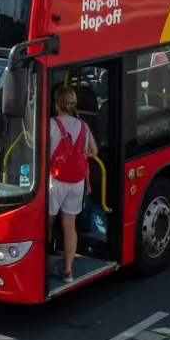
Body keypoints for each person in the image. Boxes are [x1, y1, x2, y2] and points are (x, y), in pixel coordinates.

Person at [48, 86, 97, 284]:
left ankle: (42, 261)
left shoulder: (51, 124)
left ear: (58, 104)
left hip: (56, 180)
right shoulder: (83, 126)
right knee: (70, 225)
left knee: (48, 223)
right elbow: (93, 151)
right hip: (77, 182)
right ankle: (67, 270)